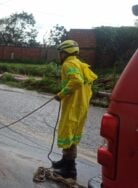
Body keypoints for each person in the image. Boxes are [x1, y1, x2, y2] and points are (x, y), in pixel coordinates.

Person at [52, 40, 97, 180]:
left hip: (73, 105)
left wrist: (61, 95)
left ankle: (70, 169)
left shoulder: (68, 64)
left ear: (65, 52)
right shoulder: (79, 63)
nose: (60, 55)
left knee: (68, 133)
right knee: (71, 134)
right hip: (80, 105)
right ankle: (65, 161)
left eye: (61, 53)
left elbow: (76, 81)